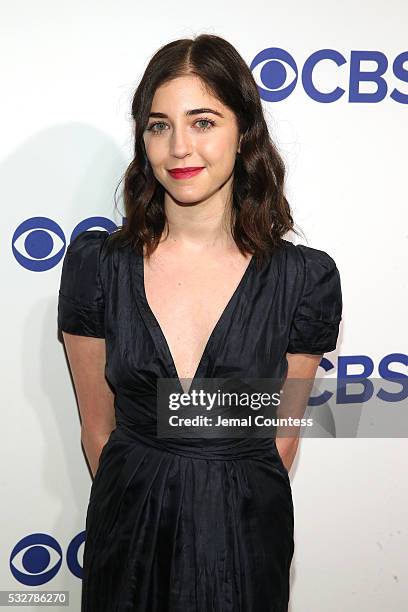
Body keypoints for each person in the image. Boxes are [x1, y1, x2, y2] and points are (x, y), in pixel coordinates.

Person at [57, 34, 342, 612]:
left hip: (245, 535)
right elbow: (97, 430)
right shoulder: (97, 268)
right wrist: (136, 510)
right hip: (126, 535)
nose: (179, 148)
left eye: (203, 121)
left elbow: (282, 439)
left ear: (244, 134)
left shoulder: (302, 279)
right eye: (159, 125)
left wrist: (228, 516)